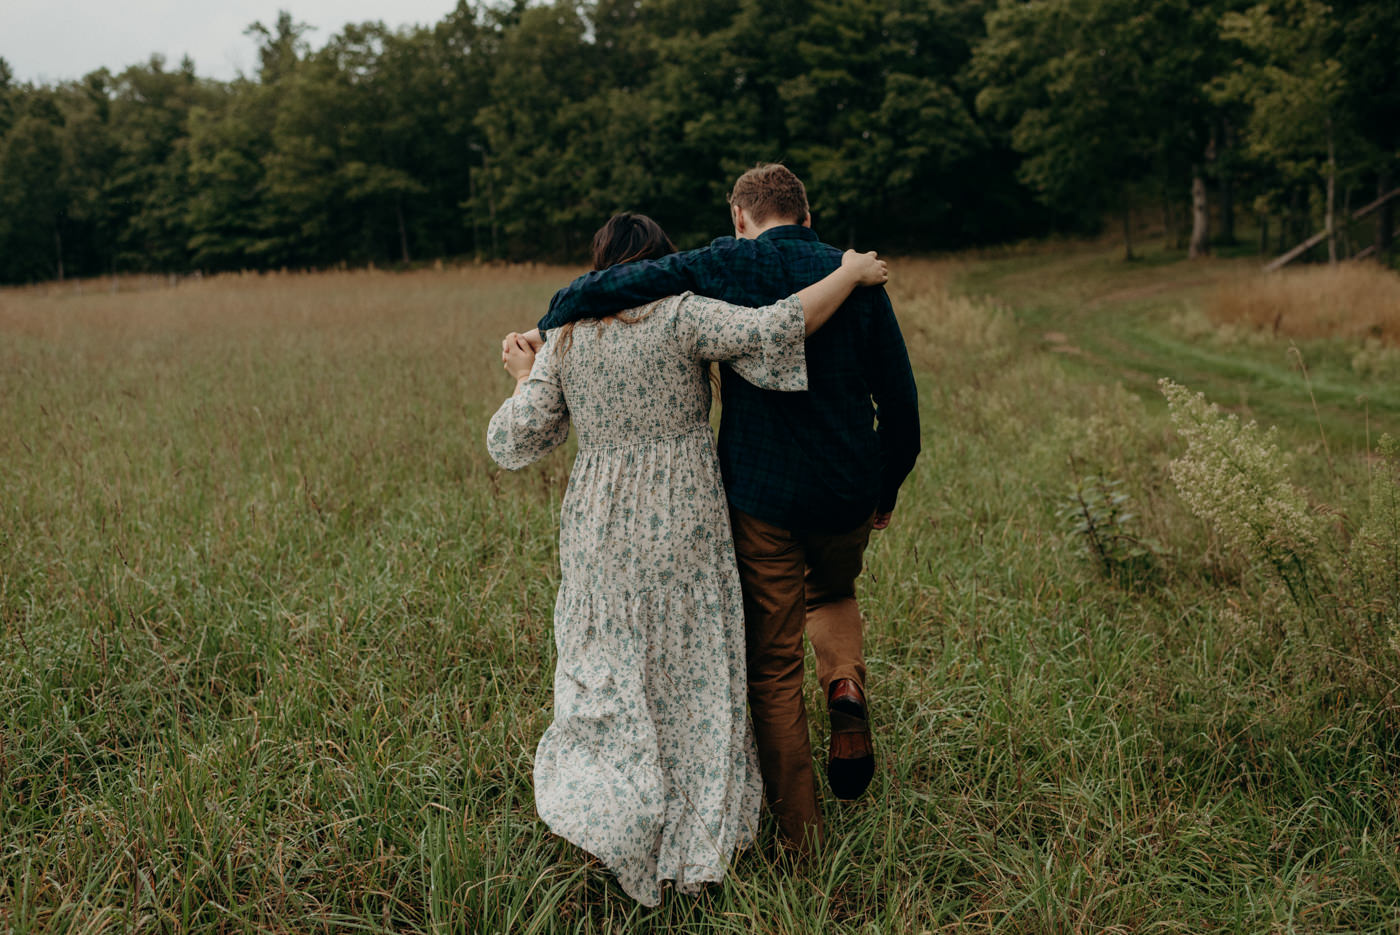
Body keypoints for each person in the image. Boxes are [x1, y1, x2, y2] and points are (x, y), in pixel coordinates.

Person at [486, 212, 889, 905]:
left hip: (601, 531)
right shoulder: (682, 315)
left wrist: (527, 374)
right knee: (695, 676)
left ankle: (621, 818)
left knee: (612, 675)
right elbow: (777, 327)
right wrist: (848, 273)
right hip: (685, 522)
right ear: (659, 262)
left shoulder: (568, 338)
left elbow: (511, 441)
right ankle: (695, 842)